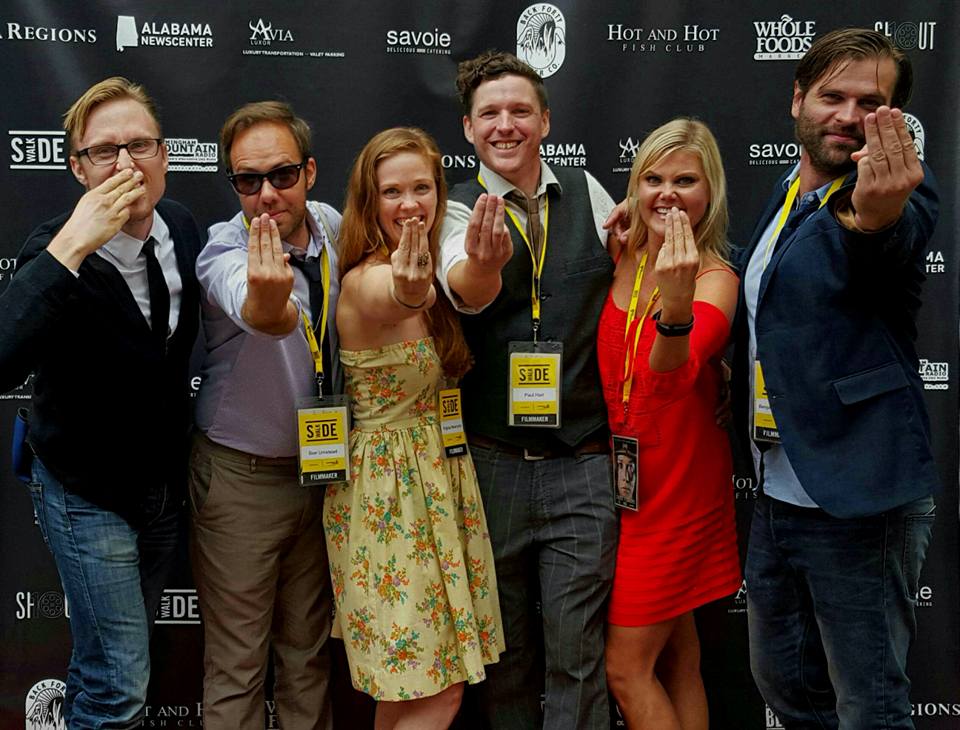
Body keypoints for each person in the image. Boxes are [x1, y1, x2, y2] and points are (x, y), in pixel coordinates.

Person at [732, 28, 939, 729]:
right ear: (797, 99)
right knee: (784, 683)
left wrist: (871, 215)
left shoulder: (896, 190)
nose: (849, 115)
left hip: (858, 497)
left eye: (870, 102)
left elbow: (889, 231)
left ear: (893, 117)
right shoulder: (787, 190)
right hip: (778, 491)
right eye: (833, 96)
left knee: (870, 703)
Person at [0, 77, 202, 728]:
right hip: (86, 494)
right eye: (103, 151)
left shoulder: (181, 229)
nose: (125, 164)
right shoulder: (52, 249)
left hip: (159, 493)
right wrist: (74, 245)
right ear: (76, 168)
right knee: (119, 687)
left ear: (165, 155)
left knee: (108, 665)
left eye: (140, 145)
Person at [437, 50, 618, 729]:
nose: (505, 125)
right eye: (490, 113)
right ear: (468, 128)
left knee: (577, 655)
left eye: (520, 111)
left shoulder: (588, 191)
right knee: (505, 657)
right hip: (491, 465)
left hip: (582, 461)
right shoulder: (453, 209)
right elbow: (464, 285)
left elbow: (629, 277)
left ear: (545, 119)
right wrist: (482, 269)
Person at [323, 126, 504, 730]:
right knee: (433, 688)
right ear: (368, 202)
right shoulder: (365, 280)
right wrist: (408, 286)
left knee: (408, 689)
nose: (409, 204)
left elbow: (468, 282)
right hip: (391, 496)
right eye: (391, 191)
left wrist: (470, 265)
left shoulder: (441, 256)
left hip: (437, 480)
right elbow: (392, 295)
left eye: (421, 188)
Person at [190, 101, 339, 730]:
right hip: (240, 482)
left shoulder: (333, 226)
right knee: (236, 666)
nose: (265, 195)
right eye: (247, 181)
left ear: (308, 172)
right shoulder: (224, 249)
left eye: (280, 175)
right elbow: (259, 308)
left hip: (323, 476)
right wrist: (272, 302)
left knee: (308, 659)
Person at [598, 118, 741, 729]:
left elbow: (672, 376)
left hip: (679, 492)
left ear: (710, 192)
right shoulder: (625, 251)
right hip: (631, 487)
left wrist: (677, 308)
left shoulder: (714, 280)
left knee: (626, 670)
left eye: (686, 180)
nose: (668, 193)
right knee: (679, 657)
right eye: (653, 177)